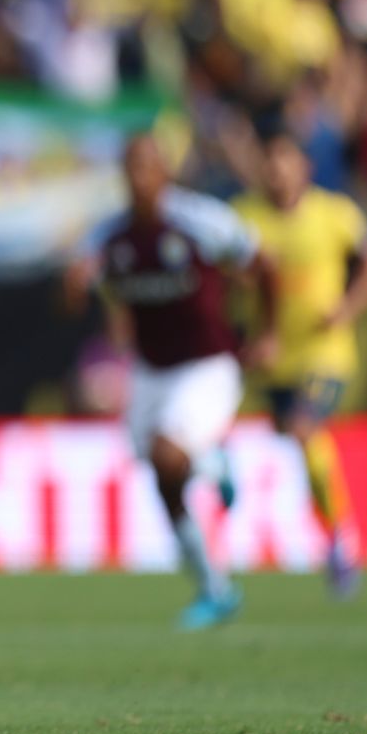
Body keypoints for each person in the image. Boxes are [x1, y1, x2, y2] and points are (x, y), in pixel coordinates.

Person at [68, 133, 278, 630]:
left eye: (147, 167)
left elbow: (263, 265)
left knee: (170, 456)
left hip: (206, 364)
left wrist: (268, 332)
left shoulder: (200, 221)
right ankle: (215, 589)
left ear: (164, 172)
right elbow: (82, 292)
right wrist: (77, 288)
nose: (139, 178)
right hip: (150, 369)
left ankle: (212, 459)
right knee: (164, 480)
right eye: (130, 168)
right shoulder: (110, 236)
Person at [234, 126, 367, 597]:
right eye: (270, 161)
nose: (277, 171)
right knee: (291, 441)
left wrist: (346, 307)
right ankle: (331, 530)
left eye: (286, 161)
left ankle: (342, 540)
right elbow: (227, 277)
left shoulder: (336, 214)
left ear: (306, 168)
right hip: (271, 359)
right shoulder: (243, 217)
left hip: (326, 353)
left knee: (304, 428)